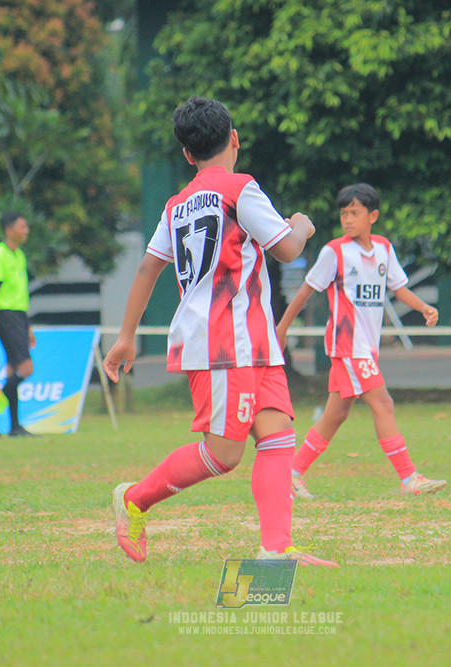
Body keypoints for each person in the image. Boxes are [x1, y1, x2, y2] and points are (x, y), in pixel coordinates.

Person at [104, 96, 336, 567]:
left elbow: (149, 267)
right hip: (225, 341)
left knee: (276, 437)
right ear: (234, 139)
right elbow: (288, 249)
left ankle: (275, 549)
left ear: (187, 155)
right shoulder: (240, 187)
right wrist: (304, 226)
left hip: (250, 340)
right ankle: (135, 499)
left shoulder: (177, 203)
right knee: (224, 454)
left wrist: (127, 335)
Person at [275, 183, 447, 499]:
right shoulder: (335, 252)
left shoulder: (383, 248)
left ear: (373, 216)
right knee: (383, 403)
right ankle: (409, 478)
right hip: (348, 345)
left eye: (355, 213)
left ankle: (290, 474)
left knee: (336, 415)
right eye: (344, 213)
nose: (348, 219)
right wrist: (282, 329)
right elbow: (306, 291)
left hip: (366, 346)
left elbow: (399, 287)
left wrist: (423, 307)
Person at [0, 212, 37, 438]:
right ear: (9, 230)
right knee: (26, 369)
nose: (26, 230)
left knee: (12, 370)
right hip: (6, 317)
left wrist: (27, 325)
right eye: (22, 226)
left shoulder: (19, 255)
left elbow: (19, 295)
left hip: (19, 317)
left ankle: (14, 426)